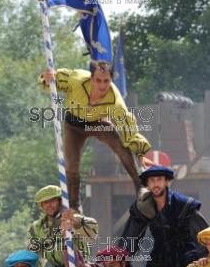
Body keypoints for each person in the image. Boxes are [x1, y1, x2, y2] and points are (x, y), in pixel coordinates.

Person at [38, 61, 153, 210]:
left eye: (106, 81)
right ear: (91, 78)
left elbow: (128, 128)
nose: (102, 86)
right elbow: (50, 82)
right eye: (98, 80)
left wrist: (140, 152)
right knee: (71, 165)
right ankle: (74, 206)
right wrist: (46, 79)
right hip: (73, 126)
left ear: (111, 80)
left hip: (98, 123)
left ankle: (140, 187)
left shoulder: (115, 101)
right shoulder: (76, 79)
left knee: (120, 144)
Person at [120, 166, 209, 267]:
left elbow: (203, 234)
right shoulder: (144, 207)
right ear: (147, 184)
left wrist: (205, 258)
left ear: (166, 181)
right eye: (152, 180)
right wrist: (120, 259)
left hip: (187, 255)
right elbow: (130, 236)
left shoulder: (182, 204)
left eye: (159, 180)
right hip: (160, 258)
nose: (156, 184)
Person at [27, 184, 98, 267]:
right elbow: (34, 256)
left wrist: (75, 223)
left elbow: (93, 231)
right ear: (41, 206)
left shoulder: (71, 217)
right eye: (45, 203)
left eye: (52, 201)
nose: (49, 205)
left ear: (59, 201)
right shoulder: (37, 227)